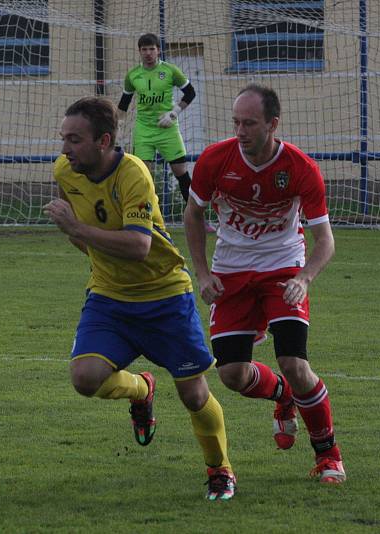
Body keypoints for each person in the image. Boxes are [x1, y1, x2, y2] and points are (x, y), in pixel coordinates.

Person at [44, 96, 236, 500]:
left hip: (164, 295)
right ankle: (142, 390)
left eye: (74, 139)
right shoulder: (65, 170)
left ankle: (220, 469)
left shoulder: (134, 174)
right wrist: (93, 255)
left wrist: (76, 231)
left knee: (194, 394)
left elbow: (137, 246)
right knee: (84, 378)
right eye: (63, 138)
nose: (65, 149)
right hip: (110, 298)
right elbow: (84, 228)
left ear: (104, 140)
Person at [183, 84, 346, 484]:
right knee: (232, 376)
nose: (240, 130)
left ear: (273, 124)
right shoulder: (214, 160)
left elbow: (325, 241)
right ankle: (282, 396)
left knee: (294, 363)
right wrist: (202, 273)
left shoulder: (301, 168)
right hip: (231, 272)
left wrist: (304, 278)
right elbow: (192, 215)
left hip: (282, 270)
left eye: (249, 123)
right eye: (236, 122)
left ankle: (329, 456)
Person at [117, 33, 216, 233]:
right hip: (144, 130)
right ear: (139, 52)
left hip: (168, 129)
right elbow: (124, 105)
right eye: (144, 49)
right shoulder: (133, 75)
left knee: (182, 174)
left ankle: (198, 221)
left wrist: (174, 113)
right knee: (143, 177)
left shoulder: (170, 71)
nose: (148, 53)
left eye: (151, 49)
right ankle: (146, 221)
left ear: (158, 50)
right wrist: (117, 127)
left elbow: (191, 92)